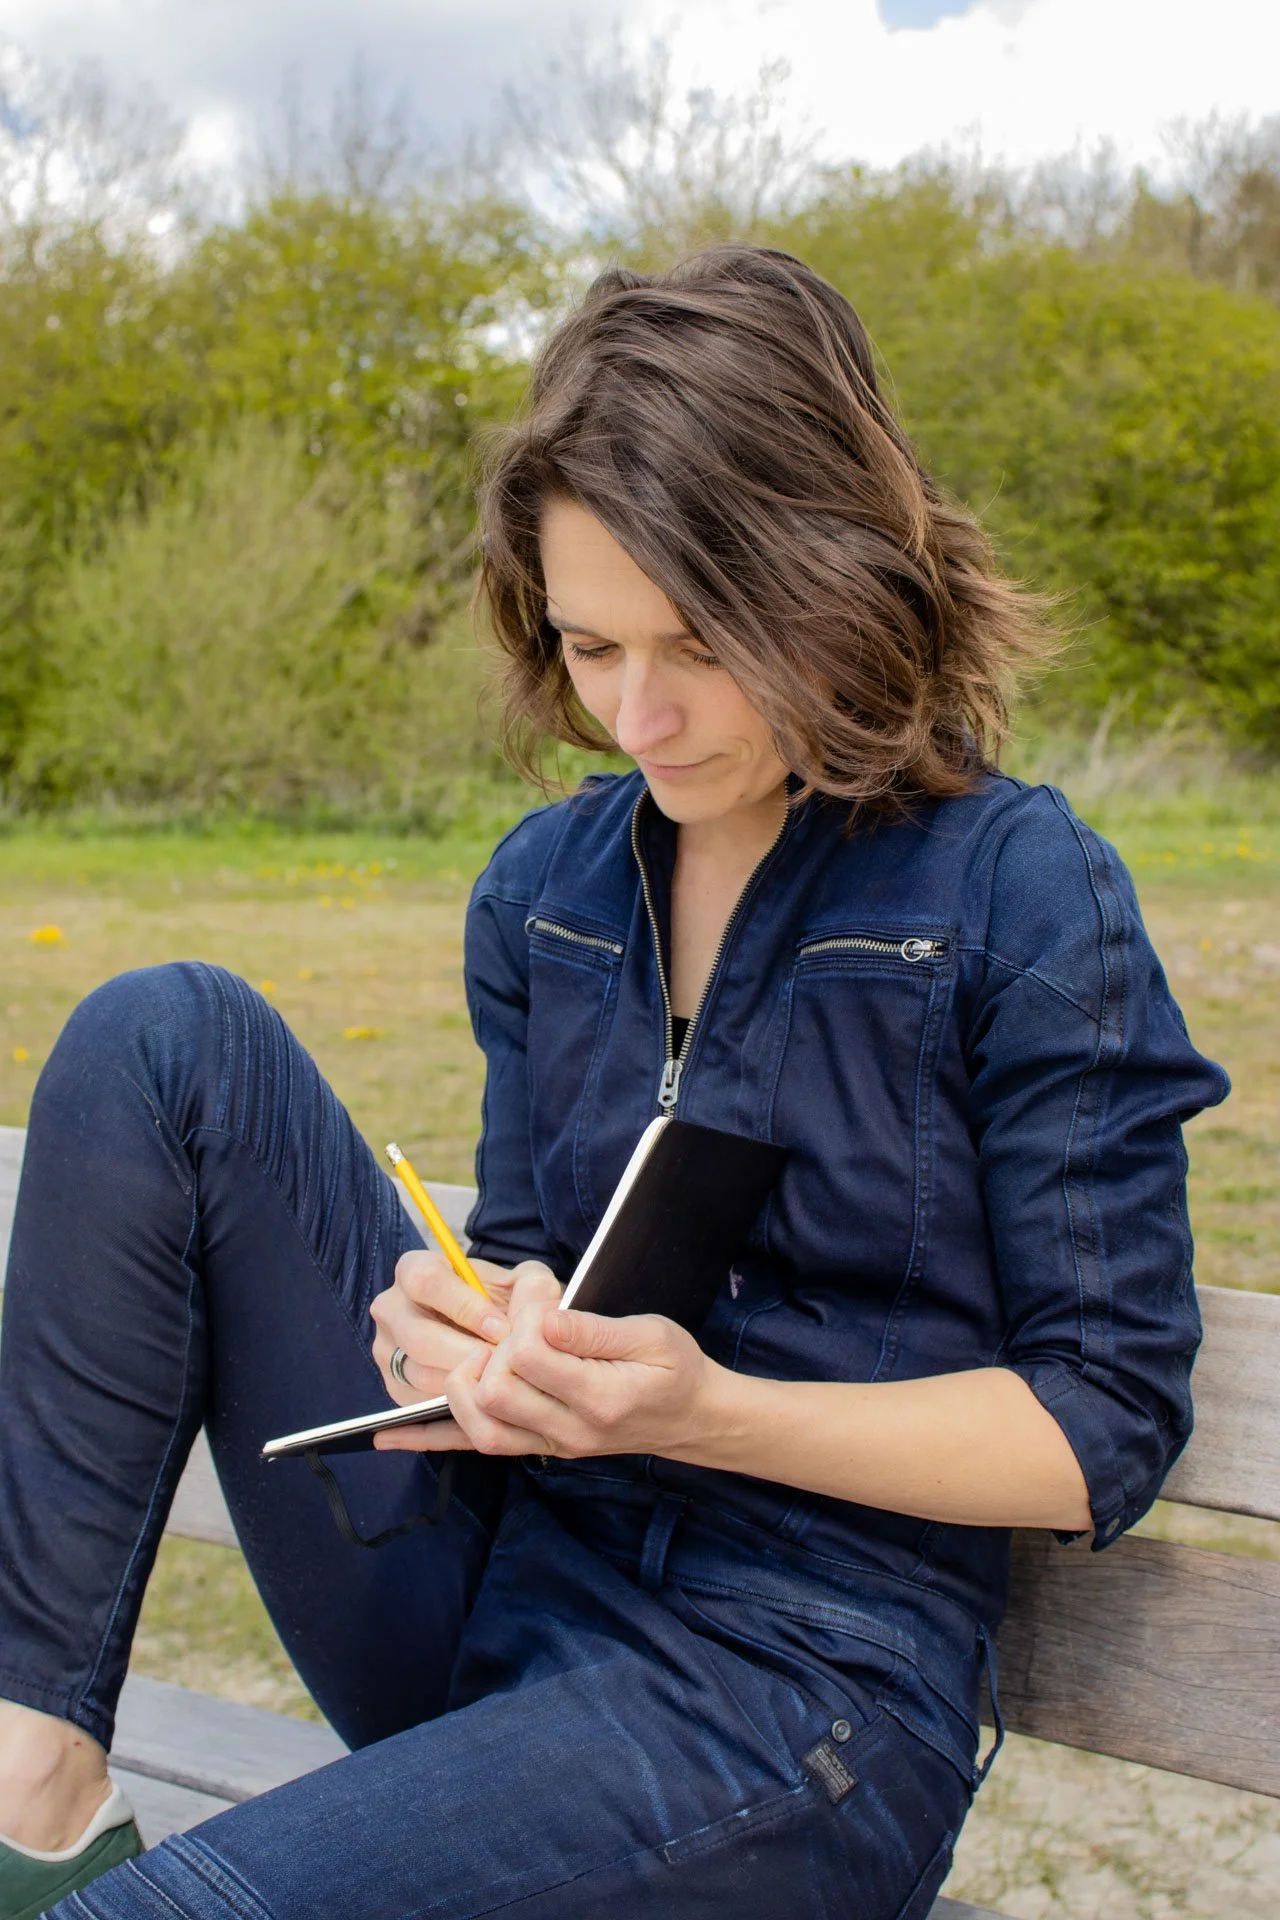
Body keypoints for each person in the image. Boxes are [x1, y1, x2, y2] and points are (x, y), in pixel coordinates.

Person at [0, 246, 1227, 1920]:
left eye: (698, 642)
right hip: (504, 1599)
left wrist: (703, 1408)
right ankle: (32, 1787)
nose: (639, 714)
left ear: (834, 576)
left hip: (799, 1699)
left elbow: (1104, 1424)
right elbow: (534, 1253)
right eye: (589, 647)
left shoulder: (1018, 892)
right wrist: (465, 1328)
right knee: (164, 1039)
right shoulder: (547, 891)